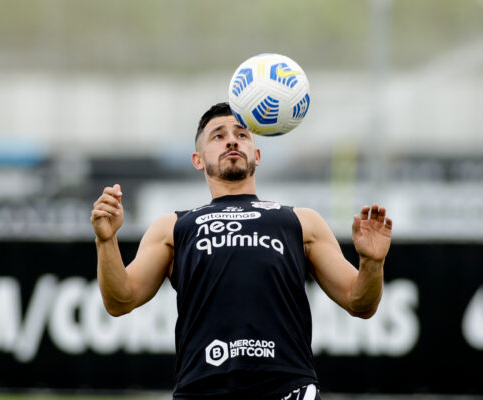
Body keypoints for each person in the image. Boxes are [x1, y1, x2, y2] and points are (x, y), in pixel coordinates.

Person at [91, 102, 392, 399]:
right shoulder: (172, 227)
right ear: (197, 159)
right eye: (218, 136)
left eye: (242, 134)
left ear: (257, 155)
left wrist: (371, 263)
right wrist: (106, 242)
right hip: (201, 389)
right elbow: (121, 300)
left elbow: (359, 303)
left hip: (289, 390)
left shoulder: (301, 221)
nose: (232, 140)